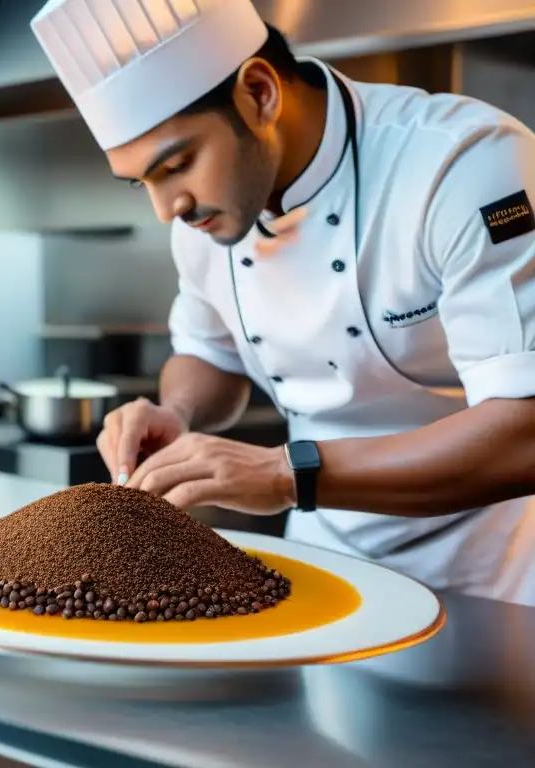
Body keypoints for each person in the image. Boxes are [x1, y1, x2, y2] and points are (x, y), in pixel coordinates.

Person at [30, 0, 535, 604]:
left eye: (177, 164)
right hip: (322, 565)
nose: (167, 209)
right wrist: (179, 412)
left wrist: (285, 475)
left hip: (496, 576)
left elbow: (523, 435)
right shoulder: (205, 221)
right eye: (142, 182)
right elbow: (208, 353)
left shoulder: (462, 166)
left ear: (261, 94)